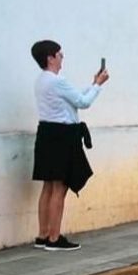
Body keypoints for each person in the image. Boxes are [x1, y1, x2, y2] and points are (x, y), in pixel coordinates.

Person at [30, 40, 110, 251]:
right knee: (60, 187)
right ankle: (55, 239)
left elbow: (73, 98)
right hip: (62, 136)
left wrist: (93, 84)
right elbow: (83, 102)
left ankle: (43, 234)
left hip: (47, 133)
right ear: (50, 57)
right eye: (60, 54)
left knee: (48, 185)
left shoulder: (41, 80)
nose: (62, 57)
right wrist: (98, 85)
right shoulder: (57, 81)